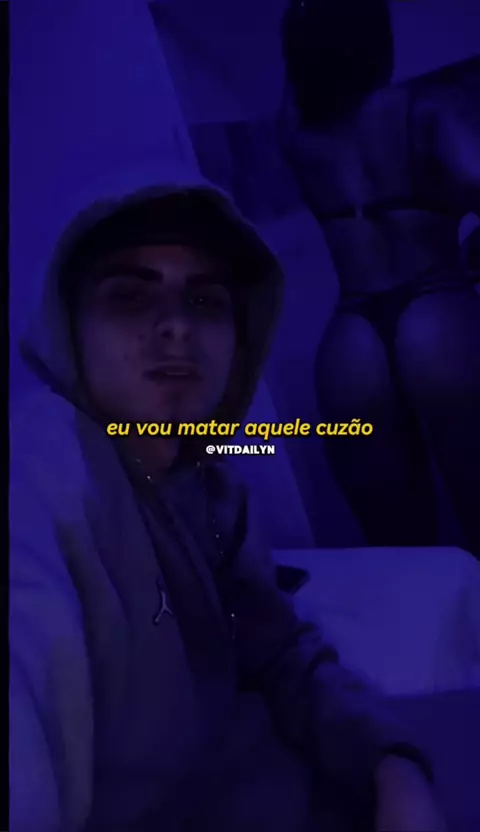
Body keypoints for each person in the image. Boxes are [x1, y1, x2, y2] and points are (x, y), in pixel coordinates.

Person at [10, 183, 446, 831]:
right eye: (129, 296)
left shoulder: (208, 488)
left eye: (206, 300)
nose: (177, 327)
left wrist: (392, 764)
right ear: (67, 328)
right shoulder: (41, 473)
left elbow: (280, 654)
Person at [279, 0, 480, 556]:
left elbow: (296, 88)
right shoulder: (426, 107)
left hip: (351, 342)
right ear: (377, 39)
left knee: (399, 551)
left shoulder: (294, 133)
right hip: (437, 309)